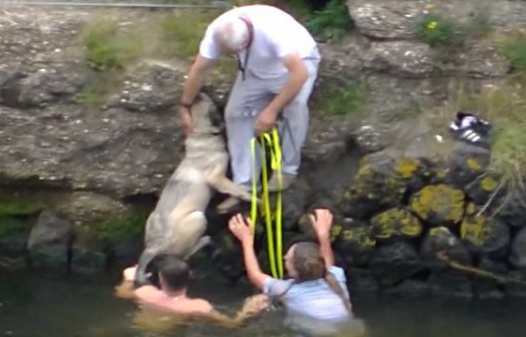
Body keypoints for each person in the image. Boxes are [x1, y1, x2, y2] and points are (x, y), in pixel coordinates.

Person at [177, 4, 321, 213]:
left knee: (295, 107)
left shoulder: (274, 33)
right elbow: (200, 69)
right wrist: (185, 106)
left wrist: (271, 110)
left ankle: (286, 171)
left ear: (245, 41)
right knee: (235, 114)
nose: (229, 57)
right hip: (257, 71)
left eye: (233, 53)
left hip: (300, 65)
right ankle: (244, 184)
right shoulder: (218, 32)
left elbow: (299, 75)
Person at [228, 208, 364, 336]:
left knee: (260, 304)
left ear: (295, 273)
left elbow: (254, 275)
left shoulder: (288, 290)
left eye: (287, 259)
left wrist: (246, 241)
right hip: (348, 332)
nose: (284, 257)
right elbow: (327, 261)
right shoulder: (336, 277)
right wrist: (323, 235)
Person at [114, 254, 269, 329]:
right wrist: (249, 309)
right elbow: (232, 324)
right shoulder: (197, 307)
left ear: (161, 279)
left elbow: (120, 293)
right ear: (189, 276)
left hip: (141, 327)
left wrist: (128, 278)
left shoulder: (145, 293)